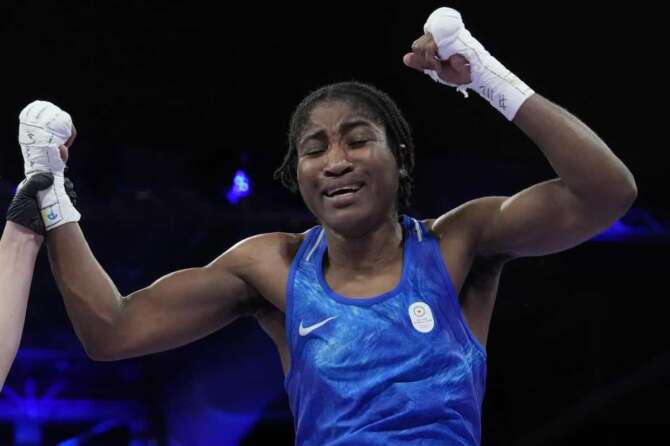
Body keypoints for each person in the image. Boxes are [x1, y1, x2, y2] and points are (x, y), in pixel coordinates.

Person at [15, 7, 637, 445]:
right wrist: (49, 188)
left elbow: (606, 193)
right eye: (314, 149)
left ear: (399, 155)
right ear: (299, 173)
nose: (335, 161)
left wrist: (483, 75)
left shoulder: (459, 242)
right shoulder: (271, 267)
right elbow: (113, 331)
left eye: (357, 140)